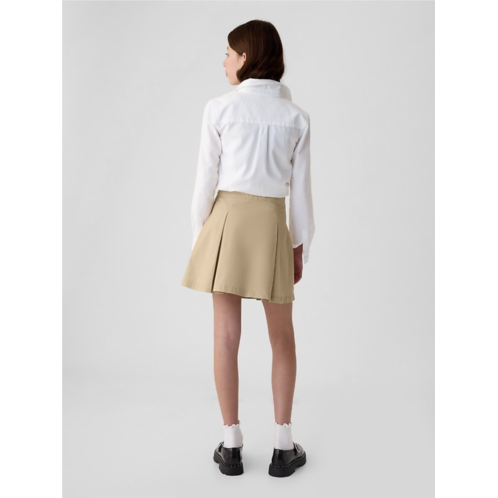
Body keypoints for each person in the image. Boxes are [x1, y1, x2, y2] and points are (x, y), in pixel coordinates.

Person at [181, 19, 315, 478]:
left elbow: (205, 182)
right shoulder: (296, 117)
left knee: (225, 335)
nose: (223, 61)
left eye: (228, 53)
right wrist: (298, 246)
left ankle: (232, 443)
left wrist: (201, 240)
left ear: (246, 57)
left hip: (226, 223)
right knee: (283, 337)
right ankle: (283, 446)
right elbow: (301, 194)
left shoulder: (219, 109)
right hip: (272, 225)